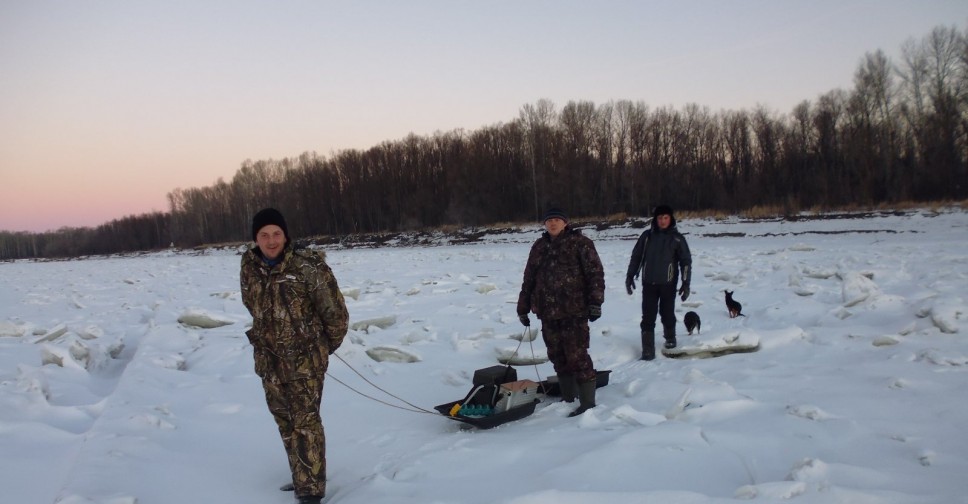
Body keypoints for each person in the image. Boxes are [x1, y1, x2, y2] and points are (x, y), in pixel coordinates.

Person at [240, 208, 349, 504]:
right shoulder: (249, 266)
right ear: (256, 239)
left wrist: (320, 350)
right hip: (269, 362)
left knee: (305, 423)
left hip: (304, 364)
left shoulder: (307, 266)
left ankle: (311, 492)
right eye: (264, 235)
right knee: (285, 422)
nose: (271, 240)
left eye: (276, 233)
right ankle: (303, 476)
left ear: (286, 235)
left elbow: (336, 315)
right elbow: (253, 306)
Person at [517, 208, 605, 417]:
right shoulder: (539, 247)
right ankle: (568, 397)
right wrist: (523, 307)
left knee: (578, 356)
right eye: (549, 220)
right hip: (547, 312)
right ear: (545, 224)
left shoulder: (580, 244)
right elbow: (529, 278)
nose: (553, 223)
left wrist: (595, 302)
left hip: (574, 311)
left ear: (565, 223)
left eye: (557, 220)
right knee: (557, 356)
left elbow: (595, 274)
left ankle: (587, 404)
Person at [625, 205, 692, 360]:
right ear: (655, 219)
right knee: (648, 316)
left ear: (671, 219)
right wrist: (630, 276)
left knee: (667, 313)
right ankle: (648, 349)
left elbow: (686, 262)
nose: (662, 221)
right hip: (649, 283)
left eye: (666, 217)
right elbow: (636, 257)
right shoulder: (647, 236)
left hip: (668, 284)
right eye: (660, 218)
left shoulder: (677, 239)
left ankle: (670, 337)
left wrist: (685, 283)